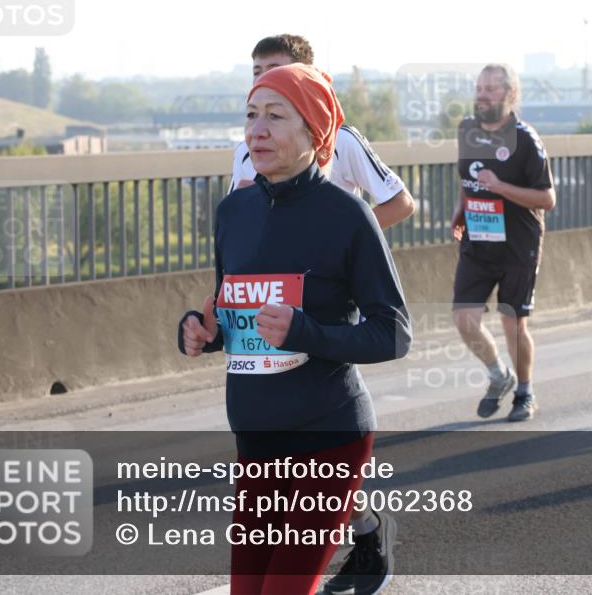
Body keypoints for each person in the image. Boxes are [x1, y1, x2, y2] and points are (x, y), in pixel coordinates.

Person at [179, 63, 411, 595]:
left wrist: (307, 333)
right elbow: (233, 315)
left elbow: (393, 332)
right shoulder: (233, 212)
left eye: (276, 117)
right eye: (251, 115)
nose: (256, 130)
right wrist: (201, 331)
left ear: (314, 131)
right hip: (256, 439)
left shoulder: (348, 215)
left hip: (326, 438)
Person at [450, 63, 556, 422]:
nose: (482, 95)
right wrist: (461, 209)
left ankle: (524, 391)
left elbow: (547, 199)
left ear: (510, 95)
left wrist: (501, 188)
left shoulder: (525, 138)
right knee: (464, 319)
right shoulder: (467, 128)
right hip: (479, 241)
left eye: (491, 89)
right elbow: (467, 177)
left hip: (517, 244)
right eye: (479, 88)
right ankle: (499, 375)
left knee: (513, 321)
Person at [229, 34, 416, 231]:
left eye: (276, 70)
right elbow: (233, 224)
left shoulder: (342, 140)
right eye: (257, 72)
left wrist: (337, 238)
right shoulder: (247, 150)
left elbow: (401, 203)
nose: (264, 80)